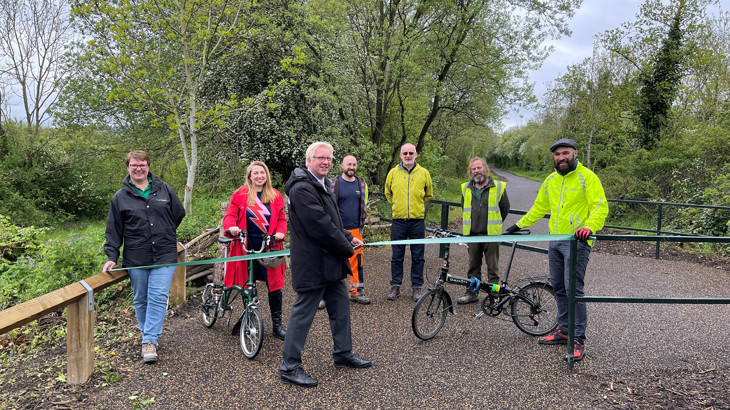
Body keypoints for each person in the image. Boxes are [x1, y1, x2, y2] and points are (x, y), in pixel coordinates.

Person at [504, 138, 608, 361]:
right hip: (555, 241)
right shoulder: (551, 180)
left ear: (575, 153)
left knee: (574, 290)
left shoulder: (587, 177)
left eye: (565, 153)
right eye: (557, 154)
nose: (561, 157)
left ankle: (578, 338)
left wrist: (589, 227)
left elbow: (600, 206)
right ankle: (563, 330)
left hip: (577, 242)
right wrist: (518, 225)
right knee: (559, 288)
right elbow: (539, 207)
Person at [279, 142, 371, 388]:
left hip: (330, 262)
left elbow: (331, 220)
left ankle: (343, 354)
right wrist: (347, 247)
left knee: (341, 310)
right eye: (321, 158)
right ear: (309, 160)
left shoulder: (323, 184)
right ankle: (289, 367)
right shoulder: (301, 188)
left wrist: (347, 235)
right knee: (302, 315)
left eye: (329, 158)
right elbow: (319, 225)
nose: (326, 162)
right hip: (312, 263)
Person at [102, 150, 185, 364]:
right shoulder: (119, 198)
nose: (138, 169)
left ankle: (149, 340)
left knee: (157, 296)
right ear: (128, 167)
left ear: (148, 166)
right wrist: (112, 256)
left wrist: (164, 232)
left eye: (142, 165)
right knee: (140, 298)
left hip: (164, 254)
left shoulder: (163, 189)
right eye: (134, 165)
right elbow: (114, 230)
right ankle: (149, 333)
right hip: (136, 256)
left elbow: (178, 213)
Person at [222, 161, 287, 340]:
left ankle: (277, 325)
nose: (259, 176)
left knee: (275, 285)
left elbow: (281, 218)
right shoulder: (240, 195)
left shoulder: (275, 195)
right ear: (249, 176)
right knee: (248, 284)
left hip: (269, 246)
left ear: (266, 175)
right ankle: (250, 320)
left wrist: (281, 231)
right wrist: (232, 227)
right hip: (246, 246)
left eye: (262, 173)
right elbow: (230, 215)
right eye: (255, 173)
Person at [458, 158, 510, 304]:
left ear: (485, 169)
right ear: (471, 172)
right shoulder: (466, 188)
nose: (477, 171)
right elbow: (465, 208)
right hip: (473, 235)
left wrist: (496, 225)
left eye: (479, 168)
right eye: (474, 169)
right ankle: (472, 293)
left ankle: (494, 296)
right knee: (473, 267)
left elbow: (505, 208)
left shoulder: (498, 186)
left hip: (491, 235)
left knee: (492, 268)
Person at [384, 143, 433, 301]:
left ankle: (416, 288)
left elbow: (428, 194)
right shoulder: (393, 173)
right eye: (405, 153)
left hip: (417, 221)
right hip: (398, 221)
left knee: (418, 256)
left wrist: (418, 208)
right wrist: (398, 206)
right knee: (397, 256)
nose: (408, 155)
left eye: (411, 153)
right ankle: (395, 286)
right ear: (400, 155)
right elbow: (388, 193)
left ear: (416, 154)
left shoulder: (424, 173)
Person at [331, 155, 370, 305]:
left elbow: (363, 205)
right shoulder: (333, 184)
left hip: (355, 229)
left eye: (354, 164)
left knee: (357, 262)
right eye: (349, 164)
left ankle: (355, 292)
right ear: (342, 165)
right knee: (332, 261)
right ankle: (328, 295)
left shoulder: (361, 184)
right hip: (337, 230)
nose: (351, 167)